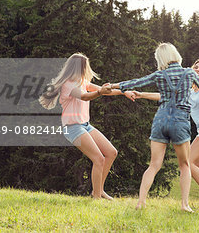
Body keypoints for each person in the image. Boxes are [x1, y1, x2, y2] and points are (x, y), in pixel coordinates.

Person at [105, 43, 199, 211]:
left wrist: (113, 85)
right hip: (180, 121)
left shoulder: (160, 74)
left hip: (161, 119)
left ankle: (141, 202)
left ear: (161, 58)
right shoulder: (189, 72)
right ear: (176, 54)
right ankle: (184, 205)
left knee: (154, 165)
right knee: (185, 165)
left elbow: (136, 82)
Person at [132, 58, 199, 209]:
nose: (197, 70)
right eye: (195, 67)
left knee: (188, 162)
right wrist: (141, 94)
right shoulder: (189, 92)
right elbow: (165, 97)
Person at [39, 53, 133, 200]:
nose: (87, 69)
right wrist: (100, 91)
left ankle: (99, 190)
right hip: (72, 128)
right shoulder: (68, 85)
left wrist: (124, 92)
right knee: (98, 159)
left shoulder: (83, 81)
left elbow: (105, 91)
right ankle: (96, 198)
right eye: (85, 66)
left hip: (85, 125)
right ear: (80, 67)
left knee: (111, 152)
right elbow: (85, 96)